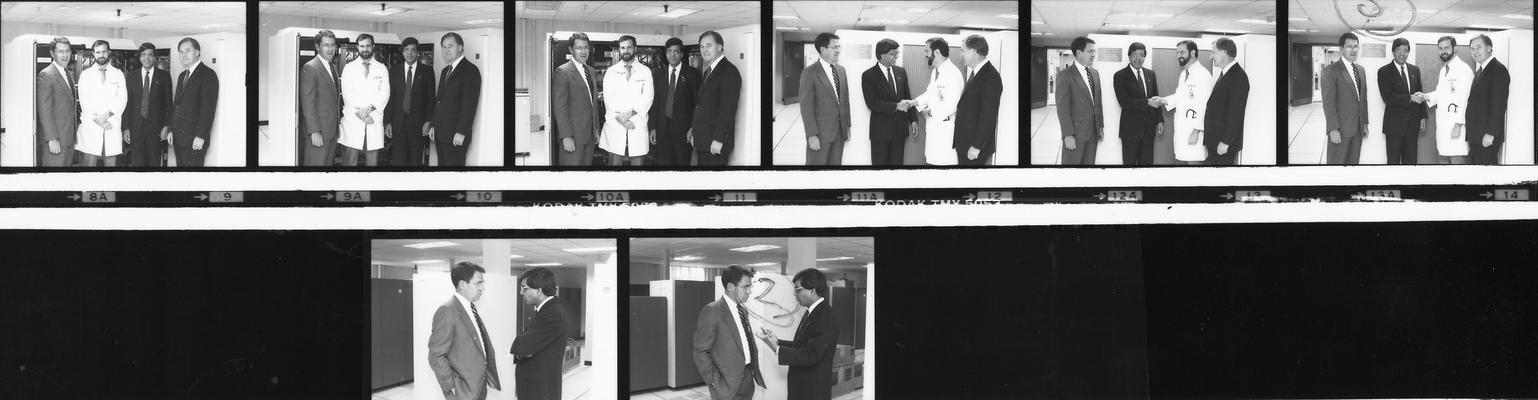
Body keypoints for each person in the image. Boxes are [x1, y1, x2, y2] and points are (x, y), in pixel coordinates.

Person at [756, 269, 838, 400]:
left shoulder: (825, 316)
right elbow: (802, 345)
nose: (794, 294)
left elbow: (810, 355)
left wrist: (777, 349)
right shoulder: (812, 312)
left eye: (798, 290)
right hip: (803, 388)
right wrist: (777, 341)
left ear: (812, 291)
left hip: (812, 392)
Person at [429, 262, 501, 400]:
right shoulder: (447, 311)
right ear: (462, 284)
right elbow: (436, 355)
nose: (482, 288)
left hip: (478, 386)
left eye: (483, 283)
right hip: (462, 391)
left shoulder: (470, 308)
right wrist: (450, 388)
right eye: (478, 283)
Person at [692, 265, 764, 400]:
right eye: (745, 287)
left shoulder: (743, 311)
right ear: (730, 287)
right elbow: (700, 351)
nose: (749, 291)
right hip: (726, 384)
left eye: (750, 287)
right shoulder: (713, 310)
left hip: (748, 379)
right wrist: (714, 381)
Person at [510, 268, 568, 400]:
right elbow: (527, 345)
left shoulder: (552, 314)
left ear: (539, 290)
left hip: (540, 389)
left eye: (524, 288)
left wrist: (521, 347)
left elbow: (523, 346)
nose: (521, 292)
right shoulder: (545, 310)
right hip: (536, 386)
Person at [599, 35, 654, 166]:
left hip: (636, 123)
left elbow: (648, 97)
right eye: (622, 48)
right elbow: (608, 100)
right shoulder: (611, 72)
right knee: (614, 163)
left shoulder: (645, 71)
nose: (626, 51)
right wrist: (621, 119)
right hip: (616, 123)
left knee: (637, 164)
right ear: (619, 50)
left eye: (629, 47)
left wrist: (628, 115)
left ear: (635, 48)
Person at [910, 37, 964, 166]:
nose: (926, 55)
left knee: (944, 166)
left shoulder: (953, 73)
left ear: (937, 52)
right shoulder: (935, 72)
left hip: (945, 129)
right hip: (934, 127)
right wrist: (914, 102)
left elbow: (951, 105)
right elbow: (931, 94)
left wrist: (929, 112)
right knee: (932, 162)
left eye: (927, 51)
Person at [430, 32, 482, 166]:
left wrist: (461, 132)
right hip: (441, 133)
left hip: (455, 135)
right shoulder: (444, 71)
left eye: (450, 46)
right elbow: (439, 101)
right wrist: (433, 125)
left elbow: (469, 106)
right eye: (444, 46)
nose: (446, 50)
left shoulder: (470, 71)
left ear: (460, 47)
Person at [1419, 36, 1473, 164]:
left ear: (1455, 49)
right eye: (1440, 48)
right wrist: (1424, 96)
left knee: (1457, 161)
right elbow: (1441, 94)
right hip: (1444, 126)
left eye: (1446, 48)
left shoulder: (1463, 70)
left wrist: (1459, 124)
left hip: (1456, 126)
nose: (1443, 51)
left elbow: (1466, 99)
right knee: (1443, 160)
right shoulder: (1444, 70)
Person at [74, 40, 128, 167]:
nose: (101, 55)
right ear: (93, 54)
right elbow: (84, 103)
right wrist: (99, 121)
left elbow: (122, 100)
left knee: (111, 169)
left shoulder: (118, 74)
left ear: (109, 52)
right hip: (91, 127)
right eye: (98, 52)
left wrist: (105, 117)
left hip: (111, 125)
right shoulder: (85, 75)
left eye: (104, 51)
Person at [862, 38, 916, 166]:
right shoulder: (869, 75)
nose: (896, 56)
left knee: (897, 167)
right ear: (882, 54)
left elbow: (907, 96)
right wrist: (896, 106)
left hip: (900, 130)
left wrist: (913, 120)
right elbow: (872, 103)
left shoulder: (901, 72)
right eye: (893, 54)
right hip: (880, 132)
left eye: (897, 53)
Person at [799, 32, 850, 166]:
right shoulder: (810, 72)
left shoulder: (841, 70)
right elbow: (806, 107)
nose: (838, 51)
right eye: (835, 47)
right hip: (820, 134)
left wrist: (847, 126)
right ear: (823, 50)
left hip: (839, 132)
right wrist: (811, 135)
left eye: (839, 47)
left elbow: (845, 102)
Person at [691, 30, 741, 166]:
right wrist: (695, 131)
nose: (704, 50)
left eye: (709, 45)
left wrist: (719, 140)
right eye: (702, 46)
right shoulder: (709, 70)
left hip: (715, 143)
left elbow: (728, 111)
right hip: (704, 139)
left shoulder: (729, 72)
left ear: (720, 47)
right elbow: (702, 105)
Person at [339, 33, 390, 167]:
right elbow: (347, 95)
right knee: (350, 162)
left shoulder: (382, 68)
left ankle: (366, 188)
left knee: (371, 164)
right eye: (362, 46)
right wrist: (361, 114)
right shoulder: (349, 68)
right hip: (353, 120)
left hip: (373, 119)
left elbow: (385, 94)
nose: (365, 49)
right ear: (357, 47)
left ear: (373, 47)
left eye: (368, 46)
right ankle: (348, 188)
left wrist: (368, 110)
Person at [648, 37, 700, 166]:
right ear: (665, 53)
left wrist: (693, 128)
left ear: (682, 54)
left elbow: (697, 104)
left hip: (684, 132)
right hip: (662, 131)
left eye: (676, 51)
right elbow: (655, 102)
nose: (672, 54)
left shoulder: (693, 74)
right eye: (669, 51)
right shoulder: (658, 74)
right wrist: (652, 127)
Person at [1161, 40, 1212, 165]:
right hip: (1183, 127)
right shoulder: (1184, 73)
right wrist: (1163, 100)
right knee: (1187, 162)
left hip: (1195, 130)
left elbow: (1206, 105)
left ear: (1193, 52)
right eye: (1177, 52)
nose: (1179, 55)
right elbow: (1180, 96)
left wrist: (1196, 131)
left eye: (1182, 52)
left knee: (1194, 163)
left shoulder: (1203, 75)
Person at [954, 35, 1002, 166]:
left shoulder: (990, 77)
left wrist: (977, 146)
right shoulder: (976, 73)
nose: (961, 55)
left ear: (974, 51)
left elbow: (989, 116)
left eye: (963, 50)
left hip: (974, 147)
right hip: (965, 143)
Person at [169, 37, 218, 167]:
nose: (183, 55)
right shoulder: (182, 76)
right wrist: (171, 130)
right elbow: (176, 107)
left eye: (187, 51)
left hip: (194, 139)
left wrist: (201, 136)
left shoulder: (208, 75)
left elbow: (208, 110)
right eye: (180, 51)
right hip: (179, 138)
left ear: (197, 52)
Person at [386, 37, 435, 166]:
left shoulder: (427, 72)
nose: (409, 53)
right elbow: (390, 98)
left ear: (417, 52)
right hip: (398, 124)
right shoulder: (394, 71)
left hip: (418, 125)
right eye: (406, 50)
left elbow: (431, 99)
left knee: (415, 160)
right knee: (398, 160)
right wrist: (388, 122)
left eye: (413, 50)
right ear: (402, 52)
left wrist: (429, 121)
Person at [1054, 36, 1103, 165]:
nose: (1093, 55)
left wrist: (1100, 126)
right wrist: (1067, 135)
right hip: (1075, 134)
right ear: (1078, 52)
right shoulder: (1065, 75)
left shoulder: (1095, 73)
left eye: (1094, 51)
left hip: (1093, 132)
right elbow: (1062, 108)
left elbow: (1098, 103)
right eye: (1090, 51)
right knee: (1071, 171)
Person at [553, 32, 599, 166]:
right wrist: (566, 136)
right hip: (572, 136)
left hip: (589, 135)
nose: (583, 51)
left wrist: (595, 129)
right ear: (571, 50)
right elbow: (560, 108)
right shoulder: (562, 72)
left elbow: (593, 104)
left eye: (586, 47)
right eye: (579, 48)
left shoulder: (591, 71)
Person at [1378, 37, 1426, 165]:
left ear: (1408, 52)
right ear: (1393, 52)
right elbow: (1387, 97)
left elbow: (1420, 93)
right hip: (1394, 126)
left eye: (1405, 50)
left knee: (1410, 162)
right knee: (1393, 162)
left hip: (1412, 125)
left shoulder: (1414, 70)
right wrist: (1409, 98)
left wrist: (1423, 117)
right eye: (1399, 50)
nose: (1402, 53)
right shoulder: (1384, 72)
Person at [1113, 42, 1163, 166]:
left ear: (1144, 57)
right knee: (1129, 165)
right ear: (1129, 56)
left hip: (1148, 129)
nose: (1138, 58)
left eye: (1141, 55)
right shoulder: (1120, 76)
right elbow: (1124, 102)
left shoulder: (1150, 74)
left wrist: (1159, 120)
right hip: (1130, 130)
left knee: (1146, 165)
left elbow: (1156, 97)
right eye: (1134, 54)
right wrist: (1147, 102)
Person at [125, 42, 173, 167]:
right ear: (139, 57)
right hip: (136, 130)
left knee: (154, 165)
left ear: (155, 58)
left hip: (156, 131)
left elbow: (168, 104)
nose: (147, 58)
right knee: (137, 164)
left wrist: (166, 126)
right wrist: (125, 128)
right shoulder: (131, 77)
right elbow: (128, 104)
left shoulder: (164, 76)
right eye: (144, 55)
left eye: (150, 55)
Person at [1322, 32, 1367, 165]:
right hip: (1340, 129)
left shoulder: (1361, 70)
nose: (1353, 50)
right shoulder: (1332, 70)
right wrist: (1333, 129)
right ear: (1341, 49)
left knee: (1353, 165)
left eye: (1356, 46)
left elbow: (1363, 99)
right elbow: (1328, 102)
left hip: (1357, 129)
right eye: (1349, 46)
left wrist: (1364, 123)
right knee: (1336, 166)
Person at [300, 30, 342, 167]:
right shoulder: (310, 68)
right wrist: (314, 131)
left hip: (331, 131)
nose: (330, 49)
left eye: (333, 45)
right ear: (318, 47)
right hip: (319, 132)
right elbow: (308, 103)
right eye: (326, 45)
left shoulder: (333, 67)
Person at [1203, 37, 1248, 165]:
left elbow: (1236, 113)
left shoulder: (1238, 77)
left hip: (1223, 144)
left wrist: (1225, 141)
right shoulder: (1225, 74)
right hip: (1215, 140)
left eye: (1214, 52)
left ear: (1224, 52)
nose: (1211, 56)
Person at [1465, 34, 1508, 165]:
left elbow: (1499, 106)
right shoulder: (1481, 70)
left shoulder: (1498, 70)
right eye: (1472, 48)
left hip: (1486, 136)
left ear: (1489, 48)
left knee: (1488, 175)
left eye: (1479, 47)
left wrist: (1490, 133)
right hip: (1477, 135)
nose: (1475, 51)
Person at [36, 37, 79, 167]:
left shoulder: (68, 74)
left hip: (68, 138)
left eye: (67, 51)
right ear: (52, 53)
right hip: (56, 140)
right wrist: (52, 138)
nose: (65, 55)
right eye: (60, 51)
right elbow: (44, 110)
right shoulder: (46, 75)